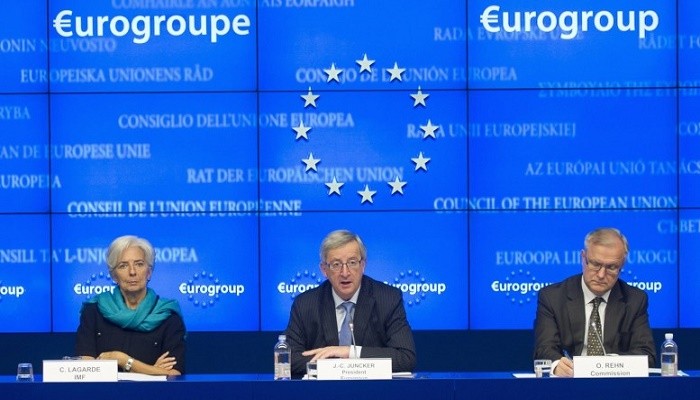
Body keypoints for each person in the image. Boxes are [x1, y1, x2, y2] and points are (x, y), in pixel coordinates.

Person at [284, 229, 416, 378]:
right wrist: (338, 367)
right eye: (336, 264)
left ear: (363, 265)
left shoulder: (387, 298)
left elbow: (405, 358)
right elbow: (287, 359)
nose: (345, 273)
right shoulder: (306, 304)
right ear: (324, 270)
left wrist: (350, 352)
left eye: (352, 263)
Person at [533, 227, 656, 377]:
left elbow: (646, 355)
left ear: (622, 265)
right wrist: (557, 365)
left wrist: (608, 366)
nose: (601, 274)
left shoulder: (635, 300)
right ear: (583, 258)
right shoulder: (553, 297)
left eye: (611, 267)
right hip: (569, 386)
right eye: (595, 264)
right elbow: (544, 348)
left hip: (616, 387)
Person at [75, 235, 186, 375]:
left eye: (139, 264)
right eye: (123, 265)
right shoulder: (93, 311)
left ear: (149, 272)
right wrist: (153, 371)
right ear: (114, 276)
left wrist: (123, 360)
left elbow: (173, 374)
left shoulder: (168, 316)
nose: (132, 272)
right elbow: (86, 370)